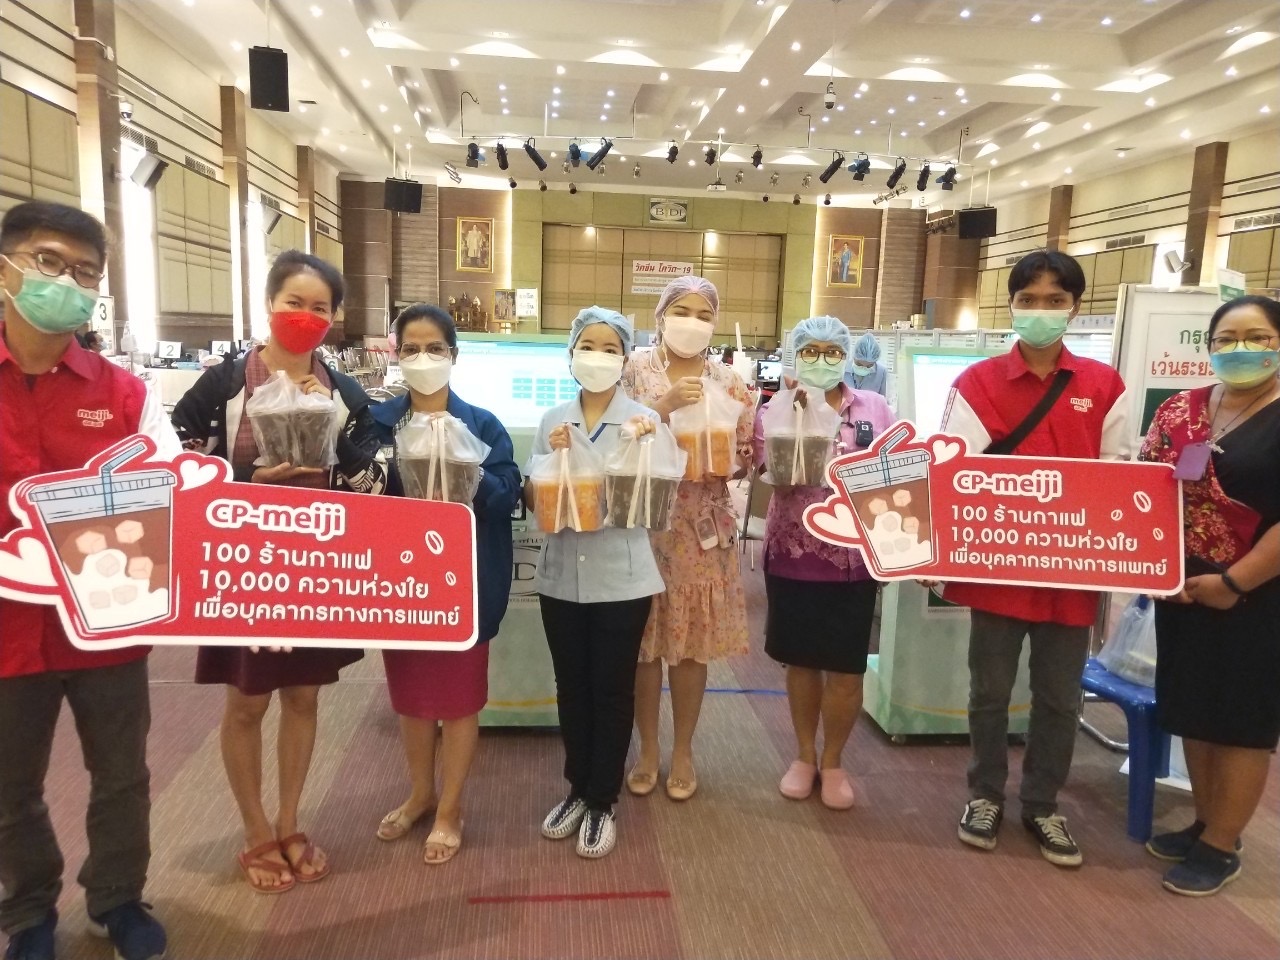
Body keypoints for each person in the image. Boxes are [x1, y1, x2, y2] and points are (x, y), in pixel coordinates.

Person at [171, 250, 386, 893]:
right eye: (294, 302)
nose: (305, 316)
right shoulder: (224, 385)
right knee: (246, 702)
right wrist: (246, 479)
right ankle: (254, 830)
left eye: (320, 307)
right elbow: (176, 465)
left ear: (334, 317)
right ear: (270, 304)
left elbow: (375, 483)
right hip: (244, 567)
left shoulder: (344, 392)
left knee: (303, 696)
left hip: (315, 567)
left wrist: (334, 428)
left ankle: (291, 822)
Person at [0, 201, 177, 960]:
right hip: (7, 630)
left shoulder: (127, 394)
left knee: (121, 774)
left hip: (109, 619)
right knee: (10, 784)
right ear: (6, 268)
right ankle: (28, 910)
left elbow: (172, 494)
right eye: (48, 262)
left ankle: (117, 897)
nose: (66, 283)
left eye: (84, 273)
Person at [939, 249, 1129, 868]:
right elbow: (953, 473)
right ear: (1012, 305)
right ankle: (985, 795)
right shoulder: (977, 383)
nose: (1041, 310)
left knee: (1059, 696)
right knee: (989, 690)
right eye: (1029, 300)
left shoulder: (1103, 385)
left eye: (1055, 300)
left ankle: (1044, 803)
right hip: (998, 569)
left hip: (1071, 573)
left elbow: (1120, 477)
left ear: (1075, 307)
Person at [1138, 295, 1280, 896]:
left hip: (1257, 594)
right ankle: (1205, 821)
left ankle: (1222, 846)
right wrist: (1158, 572)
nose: (1239, 349)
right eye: (1225, 339)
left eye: (1257, 337)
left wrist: (1233, 582)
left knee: (1242, 723)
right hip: (1183, 590)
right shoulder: (1181, 409)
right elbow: (1143, 490)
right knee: (1194, 709)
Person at [369, 304, 521, 864]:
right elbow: (361, 495)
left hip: (464, 584)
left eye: (435, 348)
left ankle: (450, 807)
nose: (423, 358)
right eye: (411, 348)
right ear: (397, 355)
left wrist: (465, 467)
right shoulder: (377, 424)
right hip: (401, 584)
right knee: (411, 699)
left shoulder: (482, 424)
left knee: (458, 702)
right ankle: (420, 793)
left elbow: (508, 496)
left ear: (454, 355)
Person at [530, 306, 664, 859]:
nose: (599, 357)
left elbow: (652, 505)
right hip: (561, 577)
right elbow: (540, 501)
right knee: (571, 688)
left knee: (611, 690)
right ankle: (577, 788)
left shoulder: (645, 421)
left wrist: (642, 448)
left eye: (611, 348)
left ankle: (602, 799)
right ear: (571, 354)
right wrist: (554, 461)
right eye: (589, 346)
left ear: (626, 358)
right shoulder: (552, 421)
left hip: (622, 580)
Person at [753, 316, 894, 809]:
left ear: (846, 355)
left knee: (847, 668)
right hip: (794, 551)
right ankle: (803, 756)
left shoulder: (873, 407)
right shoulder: (775, 407)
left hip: (854, 556)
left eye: (831, 351)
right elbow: (767, 471)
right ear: (795, 355)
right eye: (809, 351)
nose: (821, 359)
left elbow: (894, 474)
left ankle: (833, 761)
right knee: (802, 661)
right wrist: (793, 420)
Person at [621, 276, 752, 801]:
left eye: (703, 314)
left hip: (702, 529)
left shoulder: (729, 380)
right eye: (681, 311)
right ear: (660, 316)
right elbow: (610, 434)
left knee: (692, 647)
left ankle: (683, 750)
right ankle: (648, 749)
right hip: (645, 523)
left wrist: (735, 454)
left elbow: (746, 454)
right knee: (644, 646)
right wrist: (664, 406)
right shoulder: (634, 370)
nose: (692, 323)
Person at [844, 331, 889, 397]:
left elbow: (882, 399)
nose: (863, 368)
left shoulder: (881, 372)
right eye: (859, 364)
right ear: (854, 356)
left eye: (869, 366)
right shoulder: (842, 368)